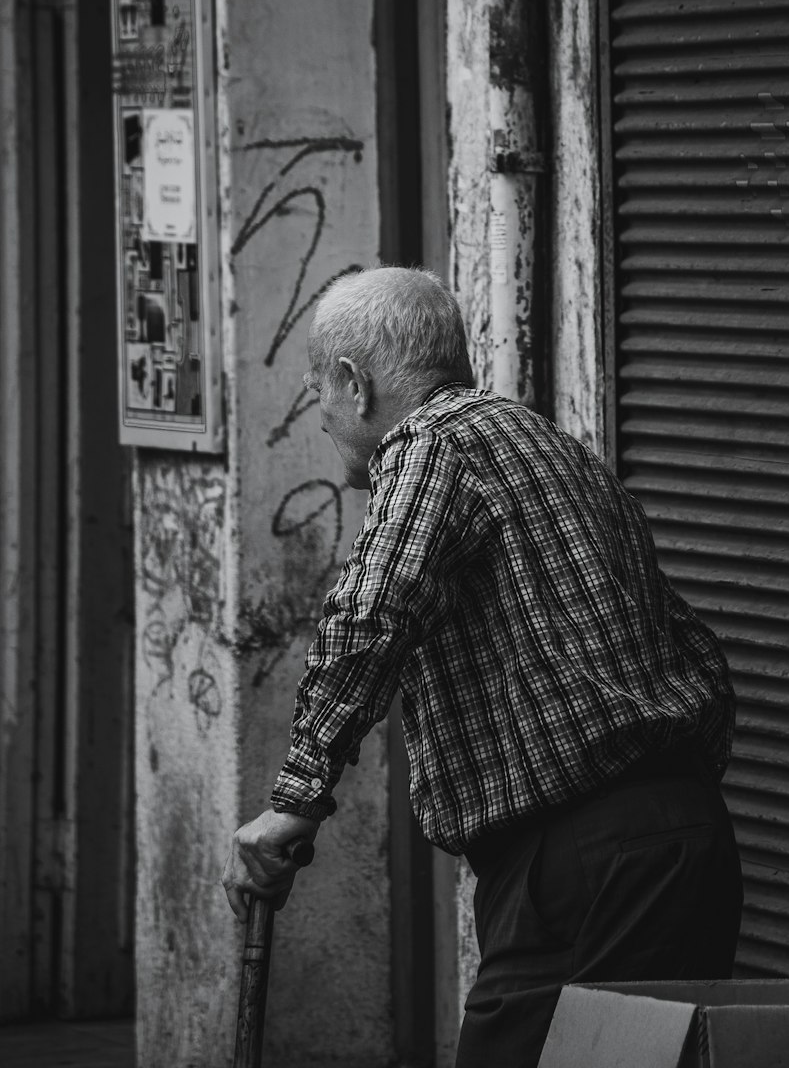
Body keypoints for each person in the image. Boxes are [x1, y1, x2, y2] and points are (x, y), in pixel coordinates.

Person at [222, 265, 742, 1066]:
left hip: (581, 853)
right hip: (682, 834)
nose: (319, 414)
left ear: (356, 384)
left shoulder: (431, 444)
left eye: (318, 388)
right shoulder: (540, 441)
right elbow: (688, 641)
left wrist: (295, 799)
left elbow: (369, 615)